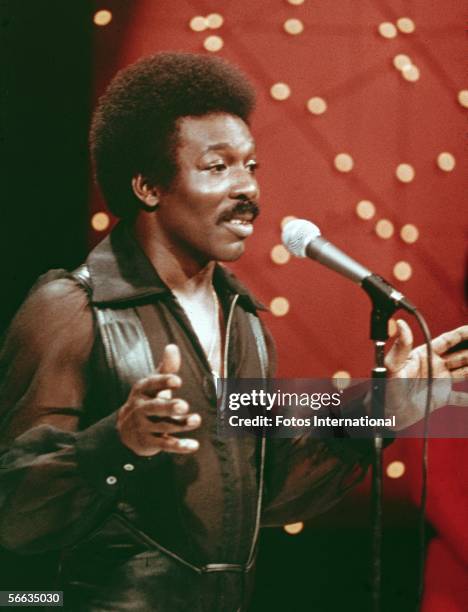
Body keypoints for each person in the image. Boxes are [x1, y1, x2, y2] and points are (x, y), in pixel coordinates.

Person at [0, 52, 466, 612]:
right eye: (218, 167)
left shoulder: (243, 321)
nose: (247, 188)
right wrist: (119, 439)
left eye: (251, 166)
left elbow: (266, 484)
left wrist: (384, 405)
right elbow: (13, 510)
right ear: (148, 186)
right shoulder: (72, 308)